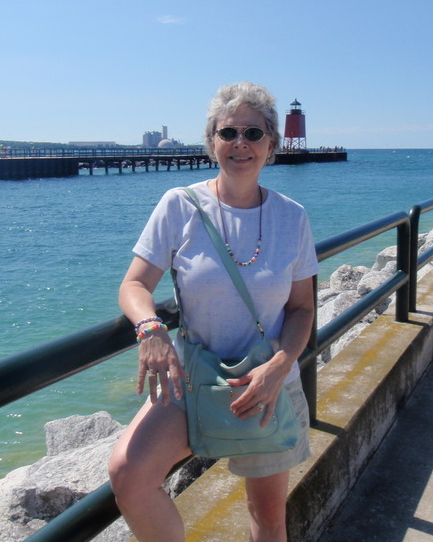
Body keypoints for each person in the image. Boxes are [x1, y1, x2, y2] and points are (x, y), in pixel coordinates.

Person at [109, 82, 318, 542]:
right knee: (129, 474)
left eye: (253, 133)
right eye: (228, 133)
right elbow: (134, 284)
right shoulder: (179, 205)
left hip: (267, 381)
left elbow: (303, 308)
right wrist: (151, 328)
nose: (240, 143)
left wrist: (281, 367)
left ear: (272, 145)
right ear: (211, 143)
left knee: (267, 516)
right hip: (193, 376)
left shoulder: (292, 217)